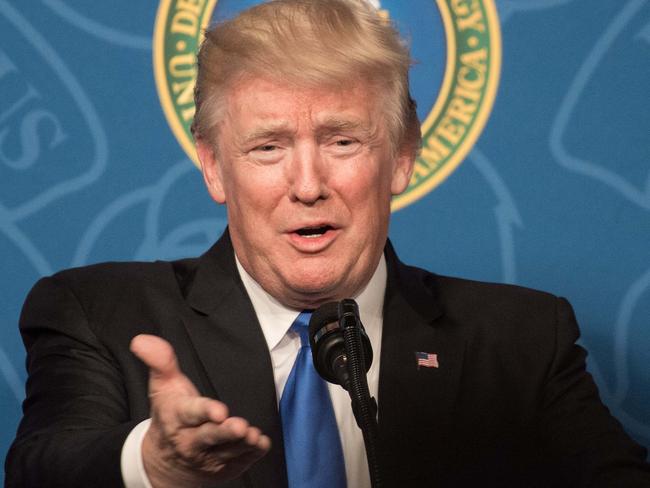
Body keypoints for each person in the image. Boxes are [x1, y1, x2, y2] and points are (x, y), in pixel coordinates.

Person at [5, 1, 650, 487]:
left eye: (343, 141)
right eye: (268, 147)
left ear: (400, 158)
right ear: (212, 167)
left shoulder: (521, 341)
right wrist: (152, 463)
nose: (308, 185)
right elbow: (41, 466)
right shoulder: (100, 313)